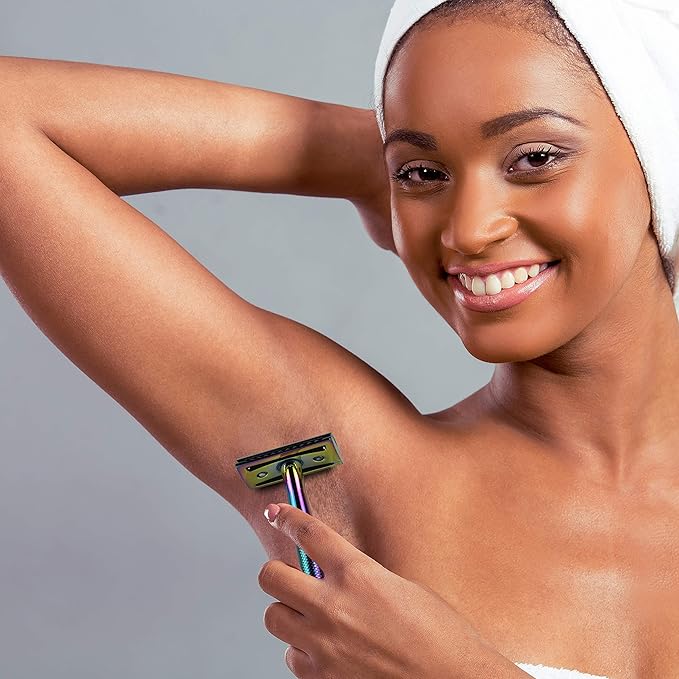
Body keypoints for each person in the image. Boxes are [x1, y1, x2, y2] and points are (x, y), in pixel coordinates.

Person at [0, 0, 677, 677]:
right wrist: (363, 154)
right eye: (423, 175)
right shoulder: (341, 471)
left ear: (657, 154)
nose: (468, 230)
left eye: (534, 157)